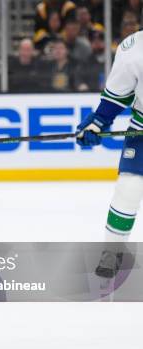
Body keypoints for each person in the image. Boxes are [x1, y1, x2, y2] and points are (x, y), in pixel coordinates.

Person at [75, 30, 143, 277]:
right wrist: (97, 122)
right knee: (129, 187)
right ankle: (113, 250)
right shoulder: (135, 47)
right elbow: (118, 96)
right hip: (142, 131)